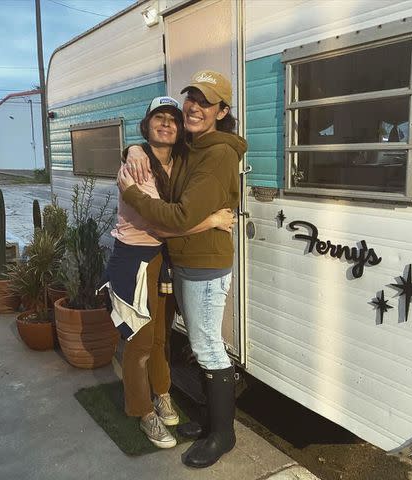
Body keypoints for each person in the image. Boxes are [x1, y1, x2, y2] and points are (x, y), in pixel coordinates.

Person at [117, 70, 247, 468]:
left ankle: (223, 435)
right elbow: (159, 149)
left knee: (207, 347)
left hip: (204, 264)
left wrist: (133, 194)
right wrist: (133, 149)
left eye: (205, 102)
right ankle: (210, 421)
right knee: (194, 344)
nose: (193, 107)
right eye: (191, 97)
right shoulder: (194, 146)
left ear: (222, 111)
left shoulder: (218, 153)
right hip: (185, 260)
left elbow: (179, 216)